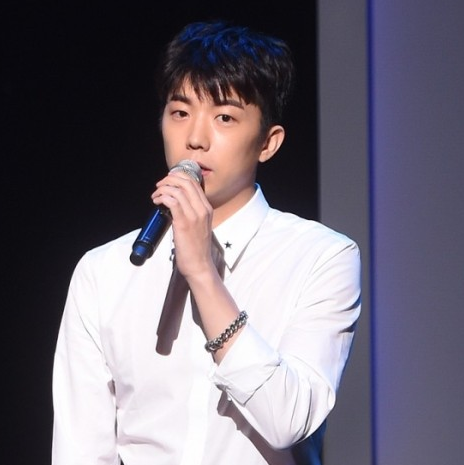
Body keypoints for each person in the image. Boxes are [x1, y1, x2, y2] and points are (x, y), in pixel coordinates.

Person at [51, 20, 361, 465]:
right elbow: (80, 450)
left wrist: (201, 271)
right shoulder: (104, 272)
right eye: (180, 113)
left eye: (224, 118)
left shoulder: (320, 257)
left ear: (268, 143)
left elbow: (289, 421)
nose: (195, 139)